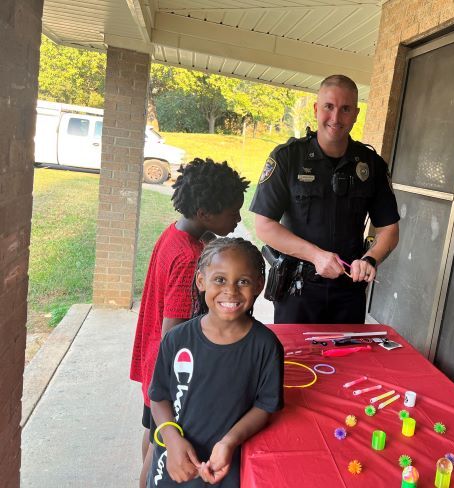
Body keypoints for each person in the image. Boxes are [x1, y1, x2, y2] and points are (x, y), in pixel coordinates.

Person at [130, 158, 250, 488]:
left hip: (151, 359)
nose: (238, 219)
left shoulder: (176, 235)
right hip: (167, 372)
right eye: (232, 211)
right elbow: (175, 334)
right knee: (162, 451)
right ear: (205, 213)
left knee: (152, 435)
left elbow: (205, 237)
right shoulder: (188, 259)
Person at [250, 74, 400, 324]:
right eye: (329, 107)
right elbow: (264, 226)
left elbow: (389, 229)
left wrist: (370, 258)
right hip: (297, 290)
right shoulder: (288, 158)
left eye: (345, 109)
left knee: (349, 361)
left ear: (355, 113)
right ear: (316, 109)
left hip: (348, 291)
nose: (336, 118)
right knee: (294, 362)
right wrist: (315, 255)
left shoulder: (371, 165)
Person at [146, 237, 284, 487]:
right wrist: (171, 437)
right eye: (219, 279)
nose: (230, 290)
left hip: (225, 466)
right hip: (176, 459)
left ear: (258, 286)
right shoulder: (177, 339)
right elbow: (158, 396)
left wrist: (228, 442)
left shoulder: (266, 346)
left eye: (243, 281)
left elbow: (264, 407)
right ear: (201, 281)